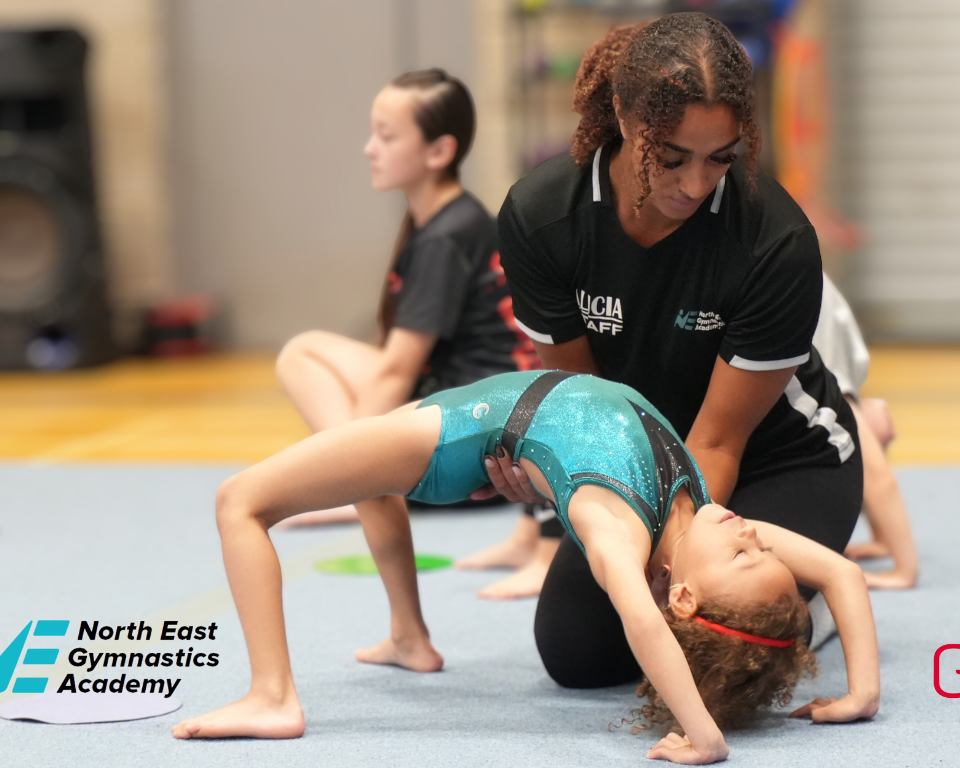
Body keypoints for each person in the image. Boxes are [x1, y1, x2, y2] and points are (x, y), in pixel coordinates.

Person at [170, 370, 880, 763]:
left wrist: (705, 734)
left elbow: (639, 615)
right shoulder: (700, 520)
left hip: (464, 434)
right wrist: (861, 694)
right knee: (364, 469)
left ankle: (272, 696)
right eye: (759, 547)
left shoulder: (618, 530)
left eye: (743, 553)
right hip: (487, 410)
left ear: (686, 598)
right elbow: (844, 575)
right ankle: (407, 636)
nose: (752, 534)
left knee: (242, 501)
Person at [464, 13, 866, 681]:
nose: (696, 184)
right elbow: (583, 412)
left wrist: (665, 565)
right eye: (672, 156)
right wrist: (548, 480)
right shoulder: (542, 219)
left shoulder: (774, 241)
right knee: (576, 652)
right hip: (643, 461)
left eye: (721, 158)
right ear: (624, 115)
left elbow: (717, 445)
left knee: (726, 645)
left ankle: (802, 607)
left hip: (782, 459)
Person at [274, 68, 536, 530]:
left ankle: (352, 482)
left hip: (472, 443)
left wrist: (324, 468)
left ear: (439, 150)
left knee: (301, 355)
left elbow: (396, 371)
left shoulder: (446, 236)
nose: (369, 148)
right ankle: (355, 481)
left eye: (387, 135)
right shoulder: (444, 222)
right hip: (478, 421)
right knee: (311, 353)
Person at [813, 273, 919, 589]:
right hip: (840, 361)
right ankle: (884, 537)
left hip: (829, 360)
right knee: (870, 420)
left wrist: (904, 570)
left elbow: (879, 479)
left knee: (858, 429)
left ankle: (902, 559)